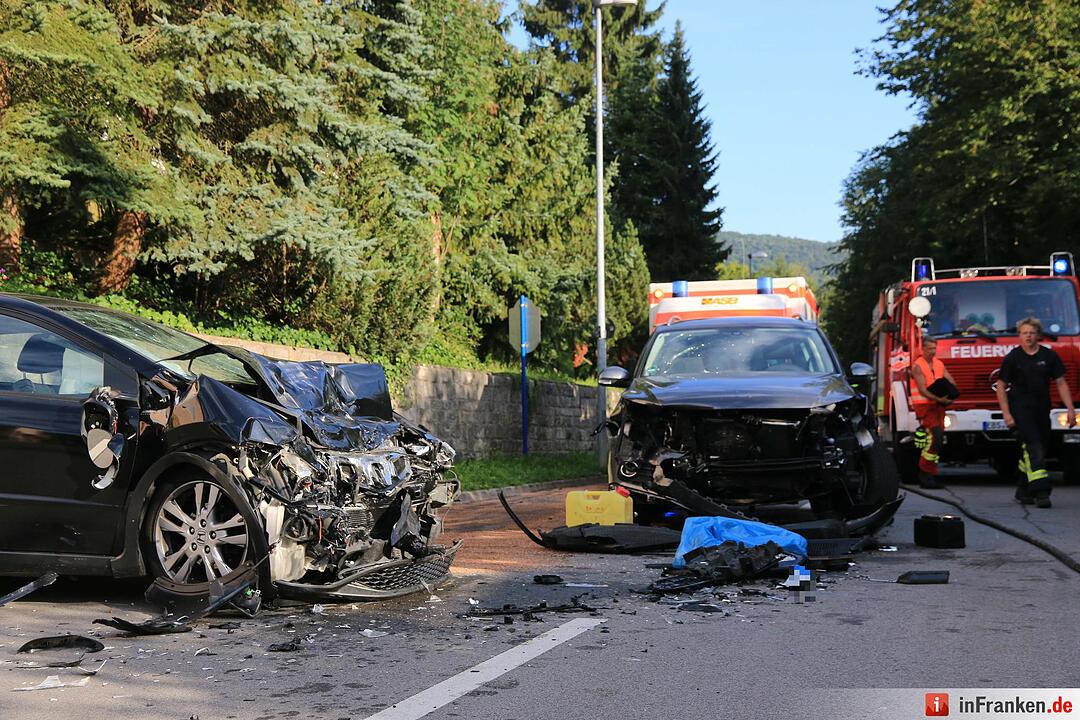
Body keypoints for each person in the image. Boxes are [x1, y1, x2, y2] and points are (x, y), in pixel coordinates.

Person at [995, 316, 1076, 508]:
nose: (1028, 337)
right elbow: (1000, 386)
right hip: (1020, 410)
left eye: (1032, 333)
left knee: (1037, 447)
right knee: (1035, 447)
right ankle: (1041, 491)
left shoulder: (1049, 356)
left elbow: (1061, 382)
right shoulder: (1012, 358)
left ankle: (1023, 489)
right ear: (1019, 336)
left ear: (1038, 335)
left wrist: (1070, 409)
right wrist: (1006, 414)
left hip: (1042, 409)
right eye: (1024, 333)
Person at [910, 336, 957, 489]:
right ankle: (925, 474)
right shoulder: (917, 366)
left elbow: (951, 381)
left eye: (934, 348)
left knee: (938, 438)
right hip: (925, 406)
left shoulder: (939, 364)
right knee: (934, 437)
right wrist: (941, 398)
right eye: (929, 349)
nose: (932, 351)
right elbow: (923, 390)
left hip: (938, 405)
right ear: (922, 349)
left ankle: (929, 474)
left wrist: (951, 394)